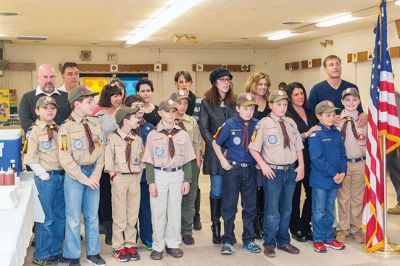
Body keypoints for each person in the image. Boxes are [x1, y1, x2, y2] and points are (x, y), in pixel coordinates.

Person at [249, 89, 305, 258]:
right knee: (272, 210)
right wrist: (263, 165)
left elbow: (298, 146)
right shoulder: (263, 123)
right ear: (270, 105)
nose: (282, 108)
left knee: (287, 208)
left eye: (285, 104)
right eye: (278, 104)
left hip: (290, 171)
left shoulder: (290, 122)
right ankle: (269, 243)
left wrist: (301, 165)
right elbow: (253, 148)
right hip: (273, 172)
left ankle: (283, 241)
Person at [142, 99, 196, 260]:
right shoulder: (153, 135)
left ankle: (173, 243)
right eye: (167, 111)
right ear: (160, 113)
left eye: (173, 111)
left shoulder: (182, 134)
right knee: (158, 212)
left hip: (178, 175)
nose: (171, 114)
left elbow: (187, 159)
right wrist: (151, 182)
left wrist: (187, 179)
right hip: (159, 175)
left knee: (174, 211)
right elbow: (149, 160)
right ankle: (158, 245)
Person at [58, 86, 106, 266]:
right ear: (77, 104)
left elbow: (101, 150)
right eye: (89, 101)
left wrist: (95, 174)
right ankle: (73, 255)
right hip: (75, 176)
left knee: (92, 216)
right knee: (72, 218)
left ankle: (93, 253)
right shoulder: (66, 127)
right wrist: (83, 178)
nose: (93, 104)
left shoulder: (96, 123)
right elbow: (64, 158)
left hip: (93, 173)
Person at [213, 93, 261, 255]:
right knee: (229, 206)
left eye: (252, 108)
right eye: (245, 108)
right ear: (238, 108)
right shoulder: (229, 124)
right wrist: (223, 161)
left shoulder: (258, 125)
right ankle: (227, 239)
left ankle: (249, 239)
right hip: (233, 170)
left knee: (250, 206)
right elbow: (216, 142)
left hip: (251, 170)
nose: (249, 112)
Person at [24, 96, 65, 265]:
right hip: (46, 178)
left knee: (60, 217)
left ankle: (55, 251)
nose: (49, 110)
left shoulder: (59, 129)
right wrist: (44, 175)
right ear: (37, 111)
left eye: (52, 107)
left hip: (62, 176)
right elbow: (30, 158)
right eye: (45, 107)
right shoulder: (34, 131)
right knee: (46, 218)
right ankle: (41, 254)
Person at [199, 67, 237, 244]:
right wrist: (217, 148)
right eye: (222, 80)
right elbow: (204, 128)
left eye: (228, 80)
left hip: (234, 153)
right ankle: (215, 227)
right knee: (217, 190)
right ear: (215, 82)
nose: (226, 83)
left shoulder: (235, 101)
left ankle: (230, 228)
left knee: (231, 193)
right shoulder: (206, 102)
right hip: (215, 155)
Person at [105, 106, 143, 262]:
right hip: (119, 178)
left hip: (134, 178)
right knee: (119, 214)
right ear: (126, 120)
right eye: (135, 117)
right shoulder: (113, 138)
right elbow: (108, 158)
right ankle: (118, 246)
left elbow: (140, 160)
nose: (138, 120)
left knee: (132, 214)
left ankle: (130, 243)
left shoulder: (138, 139)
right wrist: (113, 175)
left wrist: (138, 176)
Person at [308, 100, 347, 253]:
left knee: (330, 210)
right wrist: (334, 173)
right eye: (327, 115)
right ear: (319, 116)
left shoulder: (336, 133)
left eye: (333, 115)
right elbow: (317, 159)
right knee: (319, 211)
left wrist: (342, 172)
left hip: (335, 179)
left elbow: (343, 155)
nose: (331, 118)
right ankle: (318, 239)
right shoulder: (316, 135)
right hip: (321, 180)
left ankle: (329, 237)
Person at [285, 82, 320, 242]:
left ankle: (304, 225)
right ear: (290, 97)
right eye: (296, 94)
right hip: (295, 160)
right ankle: (294, 227)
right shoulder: (287, 115)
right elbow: (291, 139)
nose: (300, 97)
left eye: (302, 93)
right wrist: (307, 133)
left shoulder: (310, 112)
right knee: (294, 195)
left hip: (312, 159)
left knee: (312, 193)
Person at [93, 82, 125, 245]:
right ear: (107, 97)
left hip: (121, 161)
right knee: (105, 196)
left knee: (119, 195)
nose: (118, 98)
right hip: (103, 161)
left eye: (120, 95)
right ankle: (108, 229)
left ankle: (121, 228)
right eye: (115, 95)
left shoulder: (124, 113)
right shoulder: (98, 115)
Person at [335, 88, 367, 244]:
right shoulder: (335, 120)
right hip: (342, 164)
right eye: (347, 100)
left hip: (360, 163)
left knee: (357, 199)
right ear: (342, 102)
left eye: (354, 100)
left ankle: (356, 229)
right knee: (343, 198)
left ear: (359, 101)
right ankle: (342, 229)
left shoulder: (364, 120)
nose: (351, 103)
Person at [170, 90, 202, 245]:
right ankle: (173, 229)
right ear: (173, 103)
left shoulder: (191, 121)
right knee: (174, 198)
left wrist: (198, 162)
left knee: (190, 198)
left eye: (185, 103)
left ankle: (187, 231)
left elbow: (197, 143)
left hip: (190, 164)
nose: (182, 106)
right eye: (179, 103)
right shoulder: (168, 120)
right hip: (174, 165)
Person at [124, 95, 154, 251]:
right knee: (130, 209)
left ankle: (147, 238)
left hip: (145, 176)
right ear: (128, 108)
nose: (140, 109)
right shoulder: (124, 128)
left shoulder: (150, 128)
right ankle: (131, 239)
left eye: (142, 106)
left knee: (145, 208)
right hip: (129, 175)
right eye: (136, 105)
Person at [244, 71, 271, 239]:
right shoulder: (246, 102)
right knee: (251, 193)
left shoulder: (270, 104)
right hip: (250, 154)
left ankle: (262, 223)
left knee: (264, 193)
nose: (262, 87)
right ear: (252, 85)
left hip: (267, 155)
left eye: (265, 84)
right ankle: (253, 226)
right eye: (259, 84)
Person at [174, 70, 203, 230]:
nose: (183, 84)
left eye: (186, 81)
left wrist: (198, 162)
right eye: (180, 81)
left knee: (192, 192)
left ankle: (191, 222)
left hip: (191, 158)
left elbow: (198, 141)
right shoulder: (169, 116)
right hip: (175, 161)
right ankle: (176, 225)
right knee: (176, 194)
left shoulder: (198, 103)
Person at [308, 55, 367, 127]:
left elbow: (359, 110)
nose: (335, 67)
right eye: (331, 65)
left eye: (338, 64)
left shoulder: (352, 87)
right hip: (327, 133)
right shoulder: (316, 90)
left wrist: (363, 114)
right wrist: (328, 119)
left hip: (349, 130)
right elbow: (310, 114)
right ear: (325, 69)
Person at [19, 64, 71, 133]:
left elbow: (71, 120)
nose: (49, 80)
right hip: (37, 141)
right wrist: (46, 134)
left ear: (55, 77)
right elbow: (25, 123)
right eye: (45, 77)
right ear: (37, 78)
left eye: (52, 76)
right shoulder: (27, 98)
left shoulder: (67, 97)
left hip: (63, 140)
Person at [387, 91, 400, 214]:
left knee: (396, 172)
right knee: (395, 172)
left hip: (393, 142)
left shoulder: (394, 97)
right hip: (387, 141)